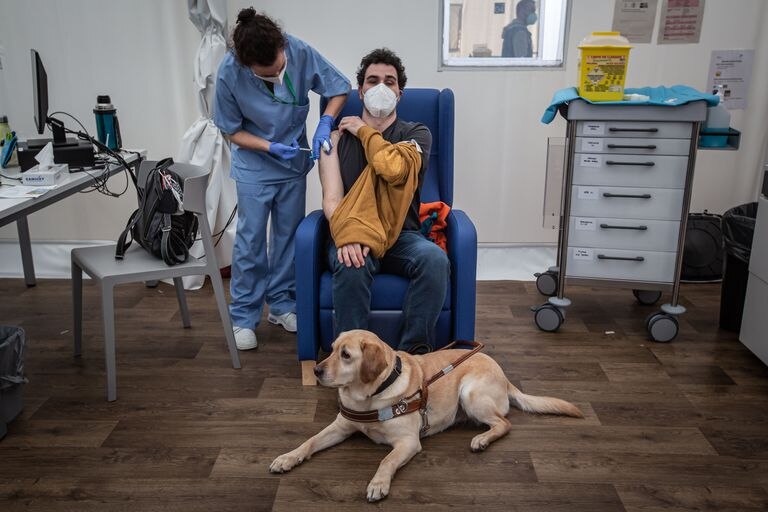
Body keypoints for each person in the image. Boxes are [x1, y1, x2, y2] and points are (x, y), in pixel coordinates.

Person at [214, 8, 350, 350]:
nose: (278, 75)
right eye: (268, 75)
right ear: (248, 68)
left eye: (280, 68)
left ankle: (282, 304)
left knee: (288, 238)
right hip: (255, 166)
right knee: (251, 241)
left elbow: (339, 87)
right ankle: (243, 316)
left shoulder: (298, 51)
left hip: (292, 165)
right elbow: (230, 130)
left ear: (281, 46)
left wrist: (326, 122)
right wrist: (267, 146)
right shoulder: (230, 73)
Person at [318, 48, 450, 355]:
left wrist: (364, 130)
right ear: (361, 91)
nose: (380, 87)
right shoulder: (335, 140)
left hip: (403, 236)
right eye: (372, 80)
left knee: (434, 260)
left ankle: (410, 357)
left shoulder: (417, 134)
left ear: (399, 94)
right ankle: (350, 361)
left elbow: (393, 169)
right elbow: (332, 199)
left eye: (389, 82)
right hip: (352, 230)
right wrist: (349, 236)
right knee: (350, 264)